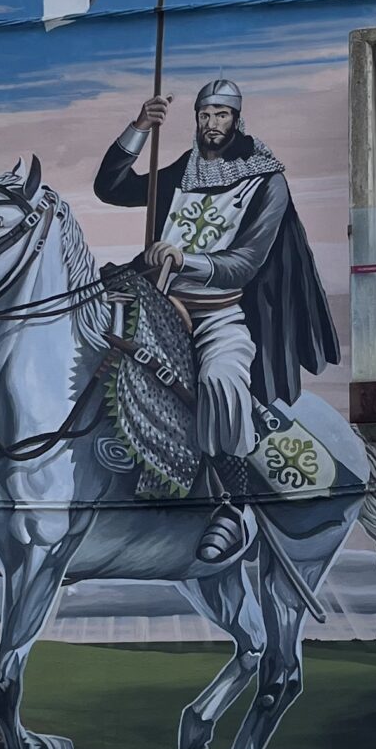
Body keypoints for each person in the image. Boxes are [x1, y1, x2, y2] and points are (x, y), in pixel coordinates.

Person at [94, 77, 339, 561]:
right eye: (204, 116)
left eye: (220, 115)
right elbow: (112, 188)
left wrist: (187, 260)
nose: (211, 124)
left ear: (237, 118)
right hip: (153, 300)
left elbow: (247, 262)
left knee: (221, 380)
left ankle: (234, 504)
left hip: (218, 312)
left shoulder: (267, 182)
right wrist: (139, 127)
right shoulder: (185, 168)